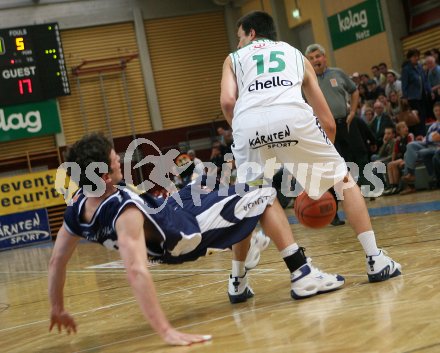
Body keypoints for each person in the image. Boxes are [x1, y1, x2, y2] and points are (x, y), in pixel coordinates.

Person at [48, 133, 345, 346]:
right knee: (264, 195)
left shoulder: (77, 206)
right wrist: (165, 331)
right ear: (105, 175)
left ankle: (239, 279)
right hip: (186, 232)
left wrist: (57, 307)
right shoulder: (123, 211)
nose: (119, 160)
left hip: (172, 206)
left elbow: (57, 260)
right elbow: (137, 271)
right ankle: (301, 274)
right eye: (115, 160)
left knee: (221, 184)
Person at [220, 11, 401, 302]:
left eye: (240, 36)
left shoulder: (233, 58)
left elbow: (228, 101)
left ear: (251, 34)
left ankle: (237, 282)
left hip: (247, 123)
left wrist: (243, 129)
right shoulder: (297, 56)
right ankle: (375, 259)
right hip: (293, 117)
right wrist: (320, 166)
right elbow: (327, 122)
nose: (238, 42)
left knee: (255, 199)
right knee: (344, 182)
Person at [305, 43, 364, 225]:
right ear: (308, 61)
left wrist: (353, 112)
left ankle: (357, 202)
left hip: (344, 124)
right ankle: (332, 212)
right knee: (330, 169)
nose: (316, 60)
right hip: (323, 129)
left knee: (356, 159)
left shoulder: (338, 73)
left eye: (318, 56)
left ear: (324, 57)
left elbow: (354, 91)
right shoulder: (306, 80)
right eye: (312, 58)